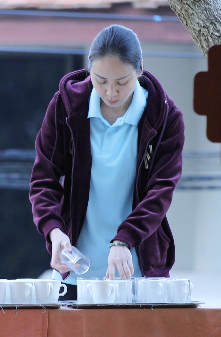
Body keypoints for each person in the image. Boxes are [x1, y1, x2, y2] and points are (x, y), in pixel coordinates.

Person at [29, 25, 184, 295]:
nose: (111, 92)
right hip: (75, 275)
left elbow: (161, 192)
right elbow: (44, 180)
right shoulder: (66, 109)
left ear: (140, 69)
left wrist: (124, 240)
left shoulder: (165, 119)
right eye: (100, 80)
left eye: (122, 82)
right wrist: (53, 230)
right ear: (89, 70)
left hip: (139, 274)